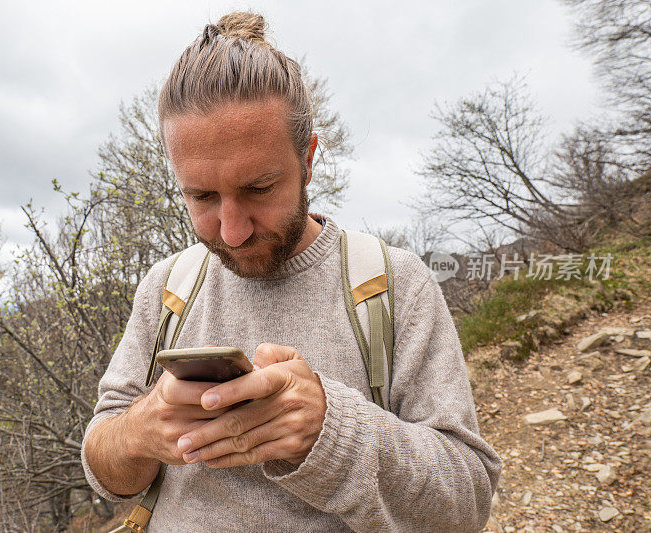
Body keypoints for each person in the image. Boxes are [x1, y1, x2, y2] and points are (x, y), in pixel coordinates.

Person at [81, 10, 501, 532]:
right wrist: (140, 431)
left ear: (308, 159)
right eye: (202, 196)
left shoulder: (394, 285)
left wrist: (331, 431)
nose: (231, 231)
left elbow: (466, 504)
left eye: (259, 189)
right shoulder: (167, 289)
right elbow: (104, 471)